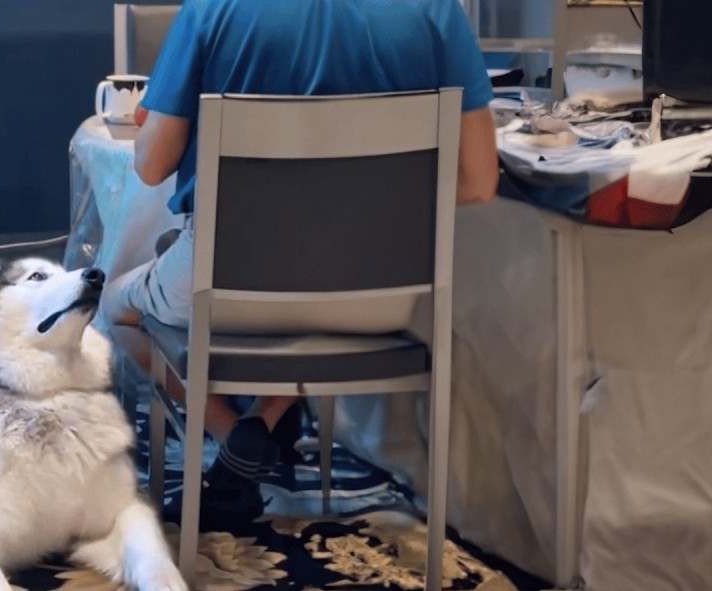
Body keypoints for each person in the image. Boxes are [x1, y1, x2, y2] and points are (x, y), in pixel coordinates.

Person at [102, 0, 499, 527]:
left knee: (117, 306)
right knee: (314, 307)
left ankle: (233, 437)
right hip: (378, 297)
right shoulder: (438, 11)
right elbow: (478, 182)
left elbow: (152, 167)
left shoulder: (213, 9)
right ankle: (265, 420)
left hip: (228, 286)